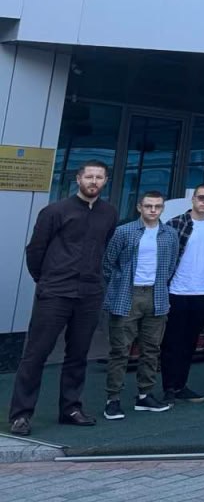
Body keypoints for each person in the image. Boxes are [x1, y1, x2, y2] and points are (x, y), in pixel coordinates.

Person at [9, 161, 118, 435]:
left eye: (99, 177)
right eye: (89, 176)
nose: (94, 181)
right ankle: (21, 415)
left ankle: (71, 409)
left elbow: (104, 246)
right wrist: (46, 280)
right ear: (78, 179)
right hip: (55, 292)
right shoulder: (55, 211)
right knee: (36, 354)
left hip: (89, 294)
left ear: (105, 181)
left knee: (78, 355)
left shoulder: (109, 213)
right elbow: (35, 250)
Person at [102, 191, 179, 420]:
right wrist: (119, 284)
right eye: (148, 206)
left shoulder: (170, 234)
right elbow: (108, 263)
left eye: (157, 206)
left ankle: (145, 395)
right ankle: (113, 399)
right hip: (128, 294)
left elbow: (171, 264)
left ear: (162, 208)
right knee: (120, 350)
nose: (153, 210)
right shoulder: (124, 231)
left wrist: (159, 285)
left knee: (151, 349)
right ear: (139, 207)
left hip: (156, 295)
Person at [162, 182, 204, 404]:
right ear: (193, 199)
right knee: (171, 342)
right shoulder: (175, 223)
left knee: (190, 343)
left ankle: (181, 385)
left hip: (203, 293)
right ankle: (168, 387)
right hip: (176, 291)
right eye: (201, 197)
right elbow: (165, 259)